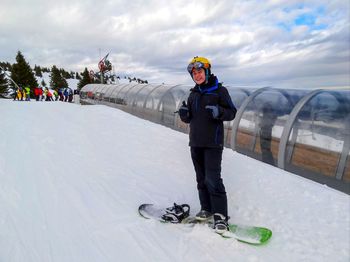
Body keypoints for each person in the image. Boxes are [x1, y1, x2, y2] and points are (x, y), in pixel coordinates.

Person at [178, 56, 237, 233]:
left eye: (200, 72)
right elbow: (190, 119)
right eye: (194, 73)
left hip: (213, 143)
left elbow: (232, 112)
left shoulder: (219, 91)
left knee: (213, 179)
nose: (197, 75)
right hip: (195, 142)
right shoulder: (193, 93)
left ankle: (220, 216)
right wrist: (184, 114)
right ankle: (206, 209)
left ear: (207, 71)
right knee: (201, 179)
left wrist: (220, 112)